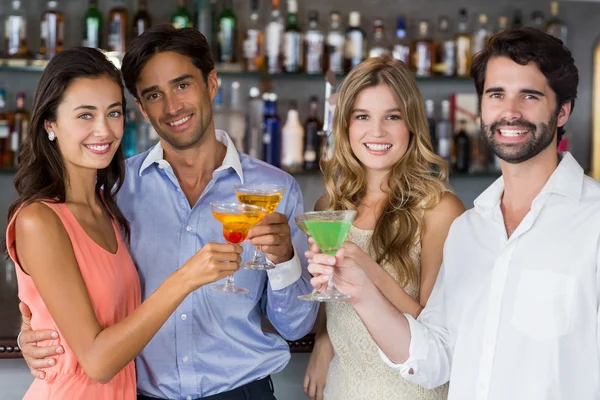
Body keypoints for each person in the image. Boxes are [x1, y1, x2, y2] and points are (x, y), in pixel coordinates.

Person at [16, 25, 319, 400]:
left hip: (243, 392)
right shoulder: (115, 193)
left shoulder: (275, 190)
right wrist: (39, 330)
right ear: (141, 108)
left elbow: (295, 326)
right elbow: (84, 292)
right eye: (154, 94)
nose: (172, 106)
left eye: (182, 85)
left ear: (211, 83)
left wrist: (285, 258)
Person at [308, 28, 600, 399]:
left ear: (563, 111)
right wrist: (358, 289)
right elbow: (434, 356)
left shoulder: (593, 222)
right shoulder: (471, 230)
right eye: (496, 95)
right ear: (480, 107)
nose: (509, 111)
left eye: (529, 95)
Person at [5, 47, 243, 399]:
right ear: (49, 124)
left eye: (113, 112)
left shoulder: (110, 206)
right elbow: (98, 363)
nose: (103, 130)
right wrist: (186, 279)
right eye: (85, 115)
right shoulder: (38, 220)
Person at [302, 55, 465, 400]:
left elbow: (434, 333)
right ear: (346, 126)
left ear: (412, 125)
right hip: (341, 387)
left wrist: (366, 267)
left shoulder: (439, 210)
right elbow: (332, 301)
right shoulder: (328, 209)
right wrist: (323, 341)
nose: (377, 132)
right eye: (362, 117)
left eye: (392, 117)